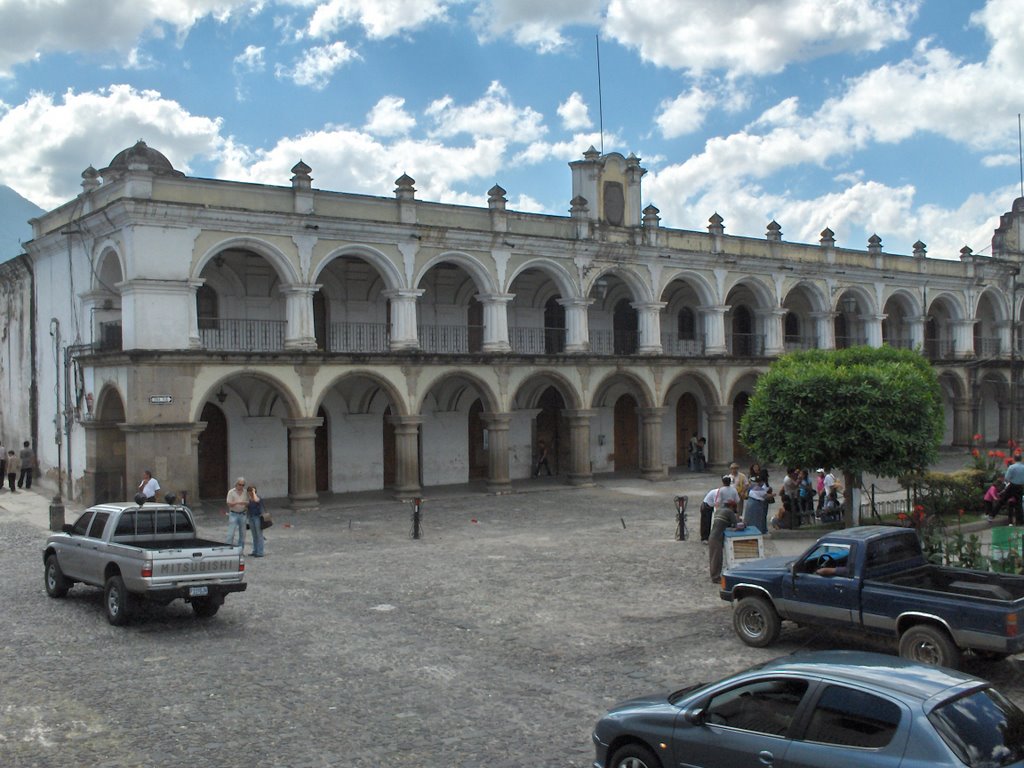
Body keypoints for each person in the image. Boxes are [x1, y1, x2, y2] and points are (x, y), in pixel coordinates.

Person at [708, 475, 742, 582]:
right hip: (717, 538)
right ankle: (715, 577)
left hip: (713, 536)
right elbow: (737, 524)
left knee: (715, 557)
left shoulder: (720, 510)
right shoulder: (729, 512)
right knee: (716, 558)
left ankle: (716, 575)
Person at [226, 477, 249, 549]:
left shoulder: (245, 492)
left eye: (243, 485)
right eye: (240, 484)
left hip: (243, 514)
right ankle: (228, 549)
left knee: (243, 534)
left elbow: (249, 502)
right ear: (236, 484)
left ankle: (240, 550)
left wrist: (244, 503)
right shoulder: (231, 492)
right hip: (233, 514)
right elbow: (229, 503)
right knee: (231, 534)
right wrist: (237, 503)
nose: (241, 486)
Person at [246, 485, 266, 557]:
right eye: (249, 492)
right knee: (254, 535)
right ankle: (255, 550)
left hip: (258, 517)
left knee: (259, 535)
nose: (250, 493)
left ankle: (260, 552)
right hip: (251, 518)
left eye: (251, 491)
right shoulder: (249, 499)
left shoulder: (258, 498)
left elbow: (256, 500)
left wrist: (253, 492)